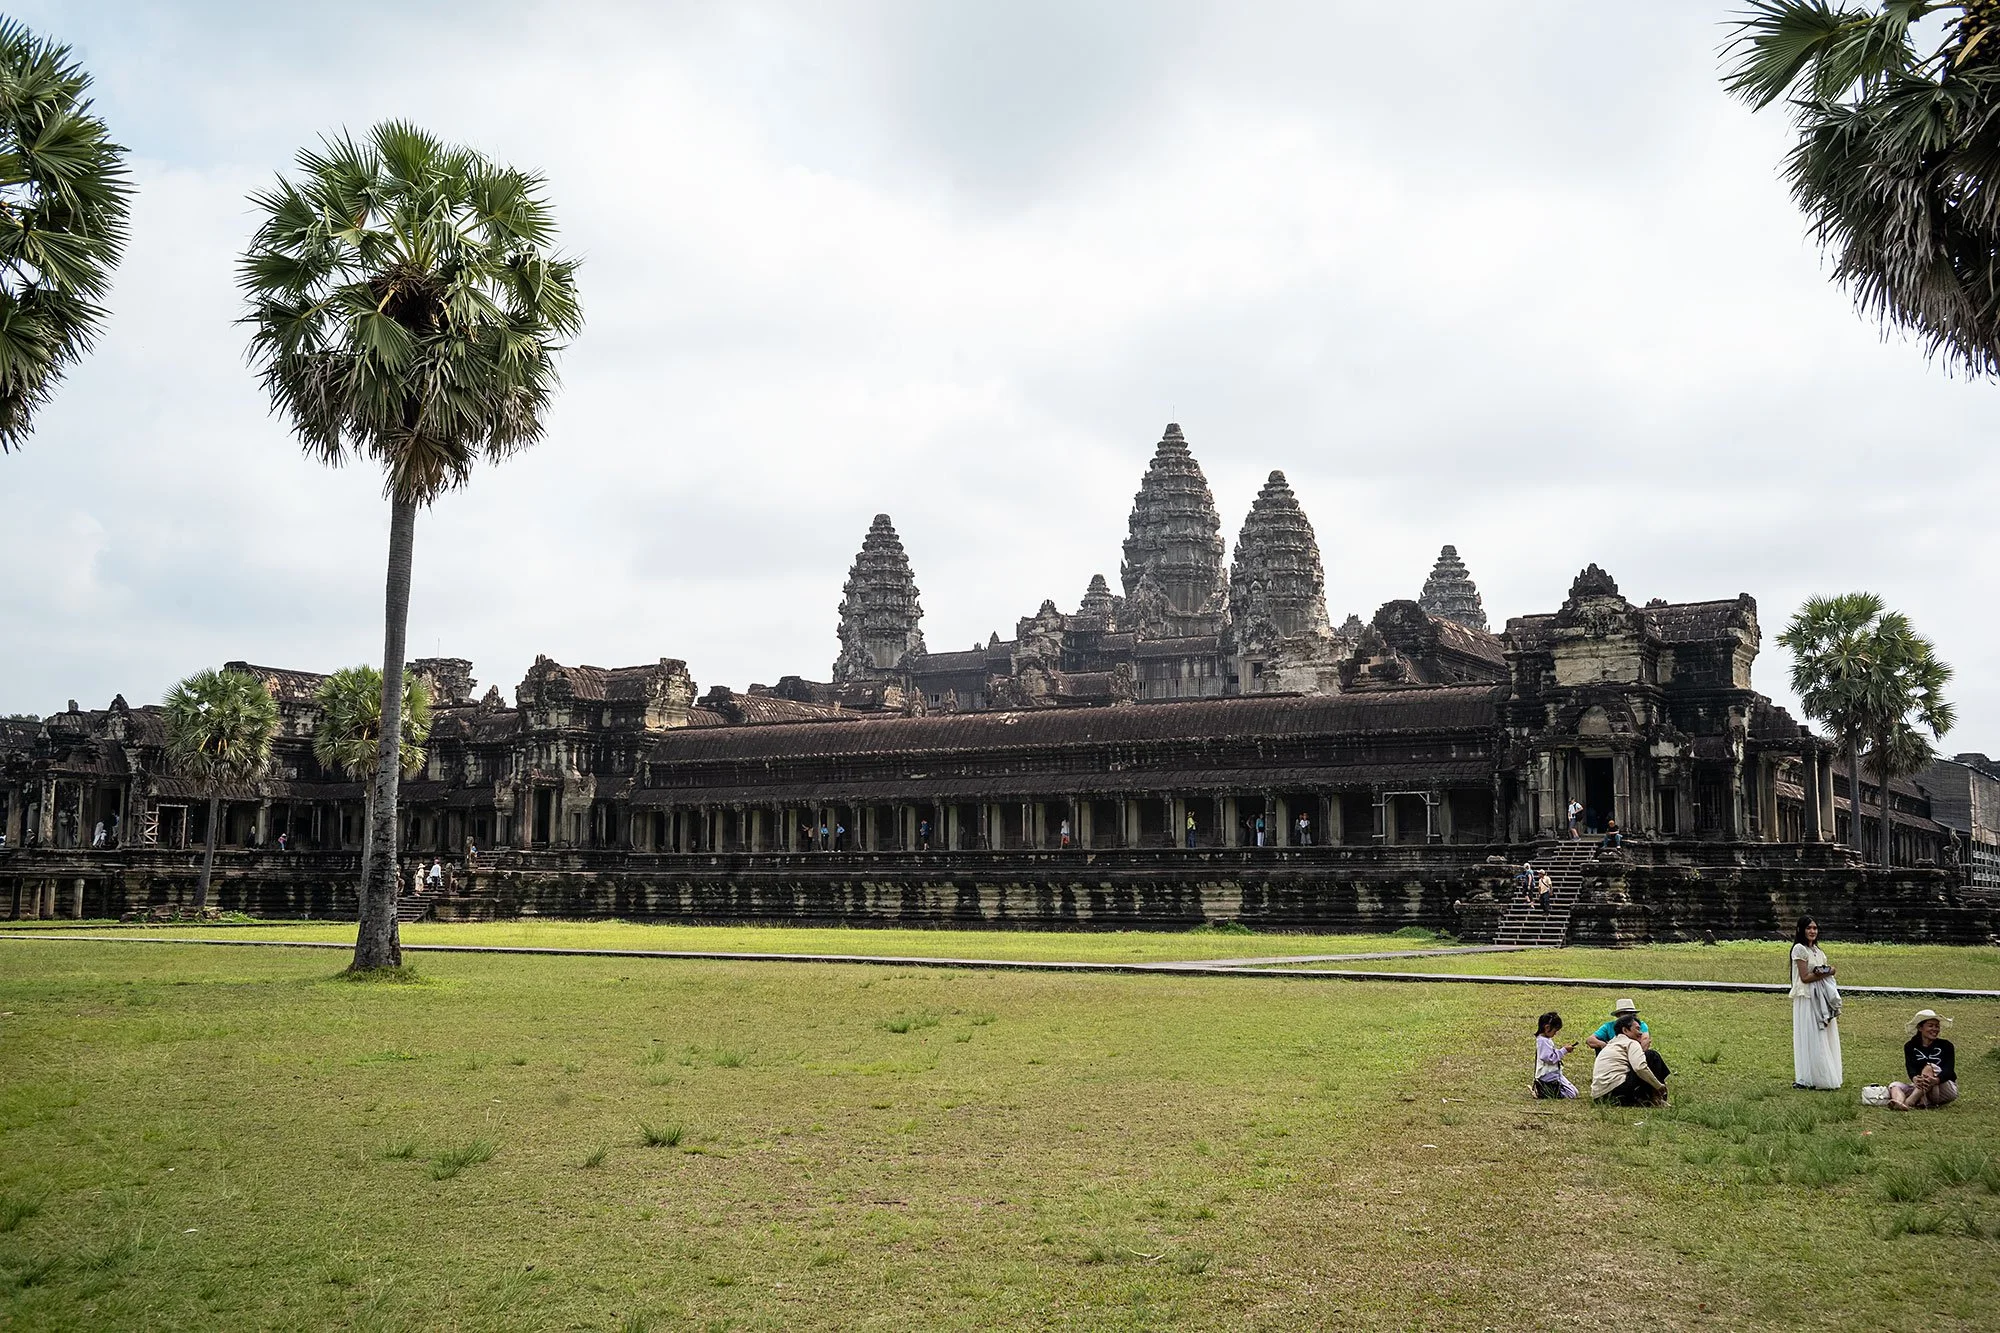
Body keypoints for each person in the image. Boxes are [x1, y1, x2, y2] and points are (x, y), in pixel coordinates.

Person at [1789, 915, 1843, 1090]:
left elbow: (1824, 970)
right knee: (1810, 1035)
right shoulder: (1799, 949)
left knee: (1824, 1034)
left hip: (1822, 996)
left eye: (1815, 928)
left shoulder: (1818, 951)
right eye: (1809, 928)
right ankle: (1808, 1077)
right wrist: (1826, 972)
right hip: (1807, 997)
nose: (1812, 931)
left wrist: (1827, 971)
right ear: (1801, 930)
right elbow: (1805, 977)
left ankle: (1824, 1074)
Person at [1592, 1014, 1668, 1105]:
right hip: (1617, 1093)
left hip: (1600, 1098)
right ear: (1625, 1030)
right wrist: (1658, 1086)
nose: (1640, 1033)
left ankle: (1647, 1098)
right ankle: (1655, 1098)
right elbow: (1639, 1068)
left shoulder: (1611, 1044)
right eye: (1637, 1029)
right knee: (1651, 1055)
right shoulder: (1631, 1042)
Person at [1889, 1010, 1958, 1111]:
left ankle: (1909, 1102)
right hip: (1923, 1088)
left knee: (1929, 1067)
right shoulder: (1910, 1046)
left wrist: (1936, 1080)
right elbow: (1910, 1068)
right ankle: (1899, 1102)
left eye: (1937, 1026)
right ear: (1920, 1028)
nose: (1935, 1029)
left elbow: (1949, 1070)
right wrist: (1915, 1079)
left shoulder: (1946, 1045)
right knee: (1894, 1085)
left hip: (1943, 1088)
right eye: (1931, 1026)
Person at [1533, 1011, 1579, 1099]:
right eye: (1555, 1031)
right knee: (1571, 1094)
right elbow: (1549, 1058)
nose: (1555, 1033)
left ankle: (1549, 1090)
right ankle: (1546, 1092)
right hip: (1549, 1075)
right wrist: (1564, 1050)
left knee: (1575, 1092)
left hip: (1554, 1073)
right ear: (1547, 1028)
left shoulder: (1545, 1039)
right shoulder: (1542, 1041)